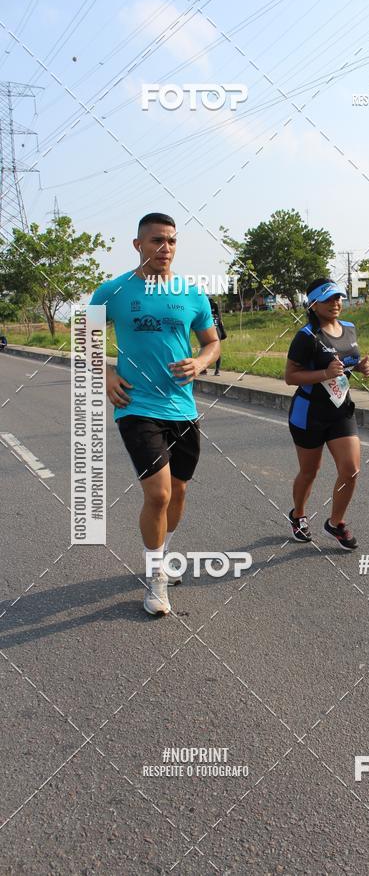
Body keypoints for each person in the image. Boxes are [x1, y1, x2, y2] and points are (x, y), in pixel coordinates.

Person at [90, 213, 220, 616]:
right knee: (159, 493)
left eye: (171, 241)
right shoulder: (113, 291)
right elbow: (85, 335)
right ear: (138, 245)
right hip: (137, 407)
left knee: (179, 493)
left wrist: (200, 363)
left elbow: (211, 342)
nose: (165, 248)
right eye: (156, 241)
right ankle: (156, 576)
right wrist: (107, 372)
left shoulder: (192, 294)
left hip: (183, 408)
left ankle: (163, 553)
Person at [285, 277, 369, 550]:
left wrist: (360, 368)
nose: (336, 303)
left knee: (351, 470)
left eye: (338, 297)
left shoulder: (349, 328)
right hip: (309, 412)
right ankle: (298, 514)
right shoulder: (306, 336)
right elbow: (290, 376)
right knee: (309, 472)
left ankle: (336, 523)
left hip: (340, 410)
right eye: (328, 299)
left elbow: (347, 362)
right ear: (313, 304)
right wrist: (324, 373)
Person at [199, 297, 227, 376]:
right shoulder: (217, 315)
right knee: (217, 351)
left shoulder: (205, 313)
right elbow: (220, 323)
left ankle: (204, 370)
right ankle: (217, 370)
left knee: (204, 350)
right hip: (218, 332)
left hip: (208, 332)